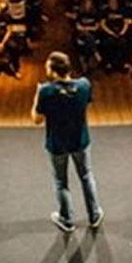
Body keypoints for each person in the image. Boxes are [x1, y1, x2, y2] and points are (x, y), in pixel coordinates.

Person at [31, 51, 102, 233]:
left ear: (53, 71)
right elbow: (85, 104)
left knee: (61, 182)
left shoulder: (46, 91)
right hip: (80, 141)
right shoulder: (84, 85)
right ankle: (94, 215)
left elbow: (36, 120)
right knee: (86, 176)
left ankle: (67, 220)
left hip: (57, 144)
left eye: (47, 67)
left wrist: (37, 96)